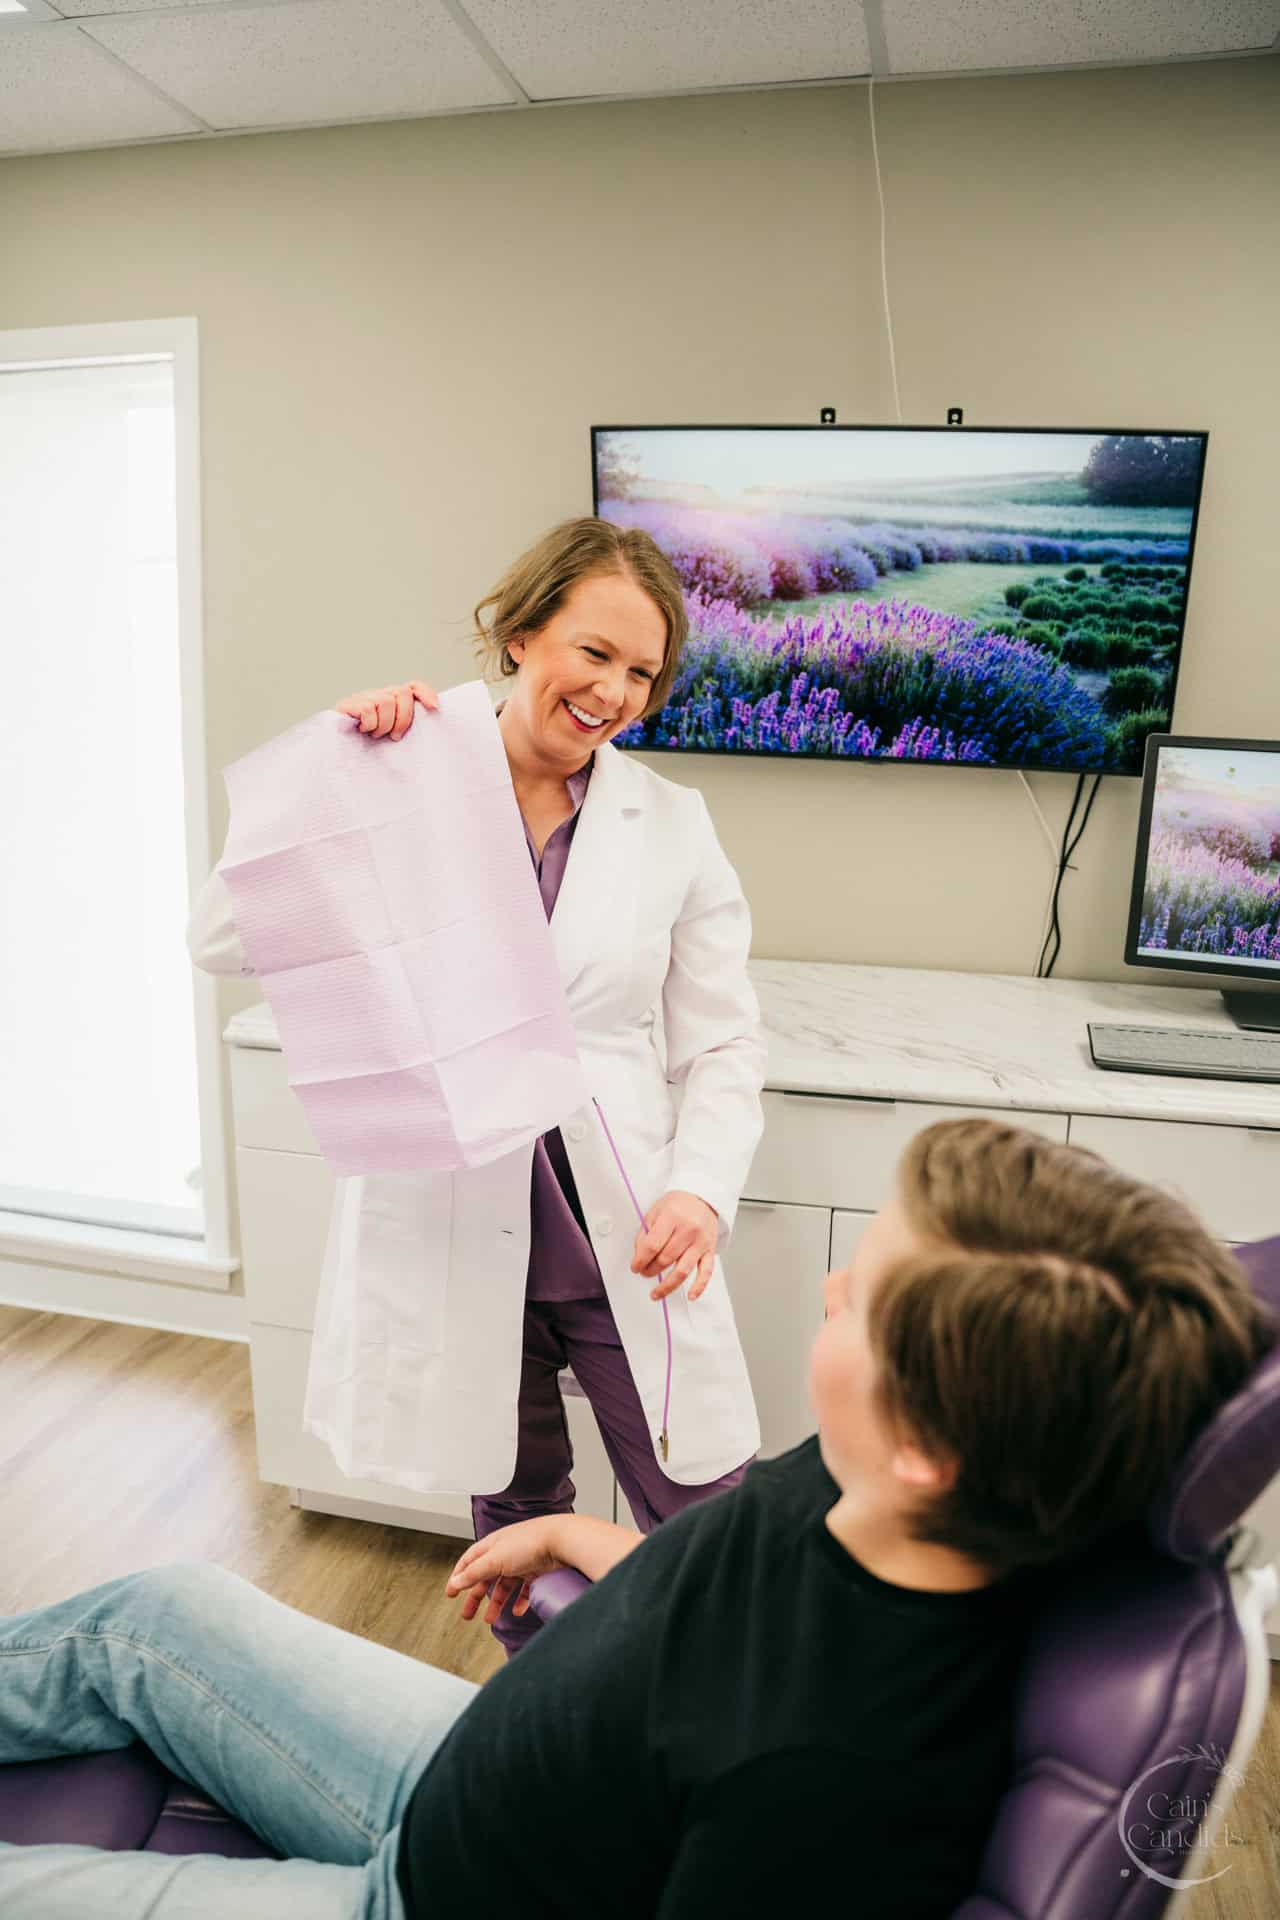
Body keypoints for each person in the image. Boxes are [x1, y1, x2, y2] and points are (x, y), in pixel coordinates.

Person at [1, 1118, 1271, 1918]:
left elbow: (770, 1707)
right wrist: (579, 1542)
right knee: (152, 1616)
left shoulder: (831, 1785)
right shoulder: (885, 1492)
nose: (829, 1284)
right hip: (467, 1768)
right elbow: (738, 1595)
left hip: (431, 1893)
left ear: (928, 1442)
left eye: (861, 1298)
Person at [187, 517, 767, 1655]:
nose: (613, 690)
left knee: (711, 1519)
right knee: (514, 1524)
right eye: (593, 652)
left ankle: (709, 1737)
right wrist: (335, 771)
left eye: (641, 671)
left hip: (624, 1234)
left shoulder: (671, 823)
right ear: (517, 632)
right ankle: (546, 1746)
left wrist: (700, 1190)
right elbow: (218, 938)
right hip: (456, 1225)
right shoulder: (399, 773)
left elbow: (723, 1044)